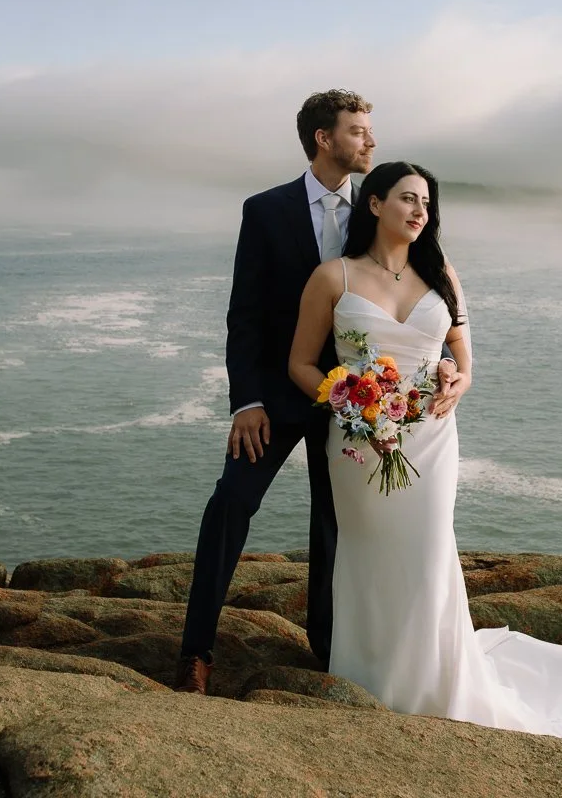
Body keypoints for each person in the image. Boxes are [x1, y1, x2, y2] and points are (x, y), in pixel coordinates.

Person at [288, 161, 562, 761]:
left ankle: (437, 681)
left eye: (427, 202)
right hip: (359, 443)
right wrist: (347, 402)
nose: (420, 211)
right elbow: (301, 363)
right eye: (407, 199)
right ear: (374, 205)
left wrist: (461, 382)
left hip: (429, 434)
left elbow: (461, 351)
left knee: (428, 550)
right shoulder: (334, 277)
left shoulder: (440, 271)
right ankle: (371, 672)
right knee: (365, 554)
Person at [175, 92, 459, 694]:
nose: (371, 141)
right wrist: (246, 401)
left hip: (368, 408)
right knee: (231, 504)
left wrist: (437, 372)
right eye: (359, 131)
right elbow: (244, 315)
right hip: (282, 393)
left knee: (336, 527)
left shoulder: (379, 208)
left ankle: (333, 652)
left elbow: (421, 297)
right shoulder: (266, 210)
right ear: (324, 139)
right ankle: (195, 651)